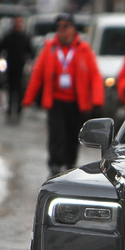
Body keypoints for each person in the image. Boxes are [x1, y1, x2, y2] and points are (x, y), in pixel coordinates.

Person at [22, 13, 104, 177]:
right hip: (56, 101)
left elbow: (95, 76)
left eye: (66, 26)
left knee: (73, 134)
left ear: (73, 29)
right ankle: (55, 163)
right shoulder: (50, 48)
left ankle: (70, 162)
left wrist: (97, 100)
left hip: (76, 102)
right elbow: (37, 74)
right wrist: (28, 98)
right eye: (59, 27)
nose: (62, 30)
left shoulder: (84, 49)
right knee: (56, 133)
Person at [0, 16, 33, 122]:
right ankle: (9, 110)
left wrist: (29, 63)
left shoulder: (25, 37)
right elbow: (0, 49)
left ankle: (18, 111)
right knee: (11, 90)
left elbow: (30, 52)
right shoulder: (8, 37)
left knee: (20, 91)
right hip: (11, 67)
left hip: (21, 68)